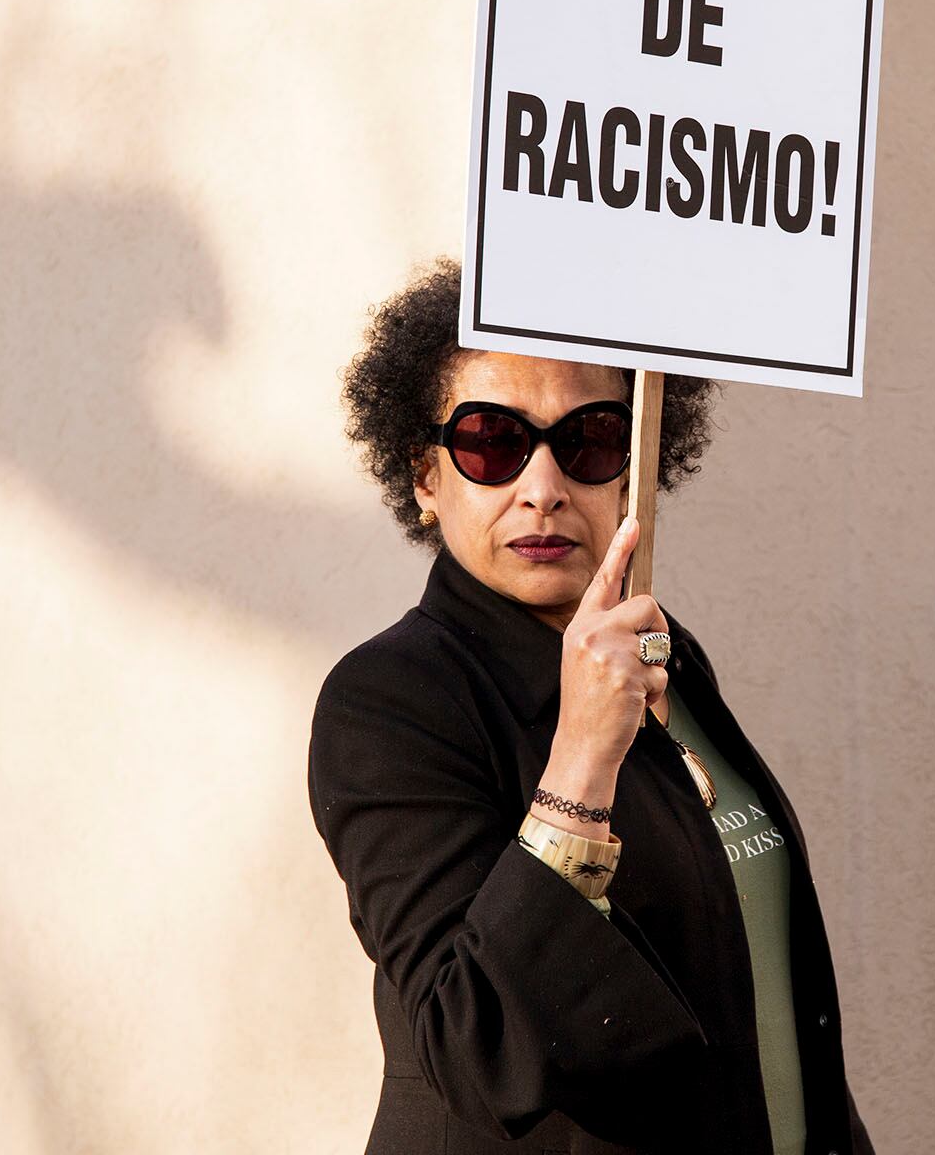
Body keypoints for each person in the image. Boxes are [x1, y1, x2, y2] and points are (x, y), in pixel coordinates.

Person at [309, 259, 874, 1155]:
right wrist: (582, 756)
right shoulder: (391, 702)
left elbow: (762, 1000)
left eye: (590, 441)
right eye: (490, 443)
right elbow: (475, 1042)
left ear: (633, 466)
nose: (543, 487)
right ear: (425, 476)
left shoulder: (663, 657)